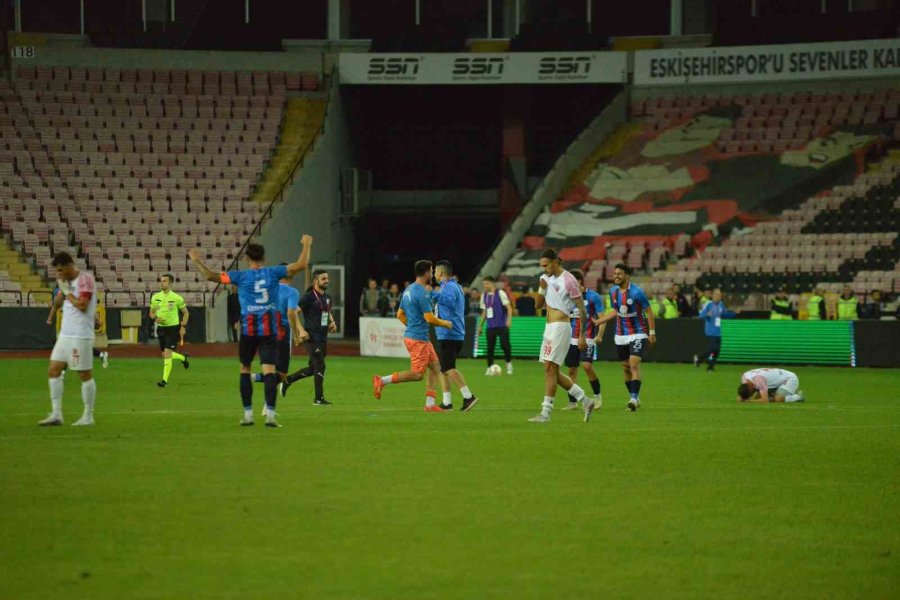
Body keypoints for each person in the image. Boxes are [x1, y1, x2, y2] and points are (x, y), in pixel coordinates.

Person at [189, 236, 312, 427]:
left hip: (248, 330)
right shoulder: (273, 273)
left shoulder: (240, 276)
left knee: (245, 369)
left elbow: (210, 276)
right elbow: (302, 264)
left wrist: (196, 259)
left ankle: (248, 415)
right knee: (270, 371)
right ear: (264, 258)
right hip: (268, 330)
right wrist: (306, 244)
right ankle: (270, 415)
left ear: (247, 258)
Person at [372, 260, 452, 411]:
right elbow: (429, 318)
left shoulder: (408, 289)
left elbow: (399, 314)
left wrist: (411, 327)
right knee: (417, 375)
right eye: (431, 270)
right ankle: (382, 380)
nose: (432, 274)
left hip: (418, 337)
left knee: (435, 367)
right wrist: (445, 324)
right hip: (418, 339)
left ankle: (430, 404)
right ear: (427, 273)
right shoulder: (422, 293)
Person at [529, 248, 592, 423]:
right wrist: (541, 290)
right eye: (541, 266)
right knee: (551, 371)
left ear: (556, 262)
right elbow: (538, 305)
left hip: (561, 326)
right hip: (549, 327)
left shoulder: (569, 280)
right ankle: (586, 401)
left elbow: (582, 309)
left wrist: (581, 335)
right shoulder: (545, 279)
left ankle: (546, 413)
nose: (544, 269)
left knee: (550, 369)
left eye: (546, 265)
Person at [40, 252, 98, 426]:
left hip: (80, 335)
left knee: (84, 374)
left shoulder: (85, 279)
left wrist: (67, 293)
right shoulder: (66, 282)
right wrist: (58, 298)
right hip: (65, 334)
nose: (58, 274)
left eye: (60, 270)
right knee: (53, 370)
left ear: (69, 266)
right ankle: (57, 414)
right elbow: (59, 301)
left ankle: (88, 415)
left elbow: (82, 305)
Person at [594, 263, 657, 412]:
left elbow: (649, 311)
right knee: (625, 368)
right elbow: (616, 311)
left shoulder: (637, 292)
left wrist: (652, 332)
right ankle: (634, 396)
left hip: (638, 333)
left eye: (619, 274)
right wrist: (600, 321)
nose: (616, 276)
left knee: (634, 364)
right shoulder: (612, 291)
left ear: (627, 275)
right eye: (615, 273)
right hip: (620, 334)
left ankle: (633, 399)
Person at [254, 266, 305, 412]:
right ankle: (251, 378)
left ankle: (267, 406)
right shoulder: (292, 292)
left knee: (270, 369)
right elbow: (291, 313)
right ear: (290, 277)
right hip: (282, 334)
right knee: (281, 374)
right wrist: (296, 335)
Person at [282, 269, 338, 405]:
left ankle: (288, 380)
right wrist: (300, 330)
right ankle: (318, 398)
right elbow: (294, 313)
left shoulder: (327, 297)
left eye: (327, 278)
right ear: (315, 281)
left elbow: (327, 311)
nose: (327, 281)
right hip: (311, 337)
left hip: (323, 337)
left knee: (314, 369)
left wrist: (332, 322)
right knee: (321, 365)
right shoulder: (308, 297)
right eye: (323, 278)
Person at [432, 261, 478, 412]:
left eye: (435, 271)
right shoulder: (453, 286)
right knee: (442, 368)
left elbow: (449, 302)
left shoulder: (449, 287)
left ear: (441, 272)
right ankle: (447, 403)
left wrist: (432, 294)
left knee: (448, 368)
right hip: (449, 333)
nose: (433, 274)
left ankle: (468, 396)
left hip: (450, 334)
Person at [561, 269, 605, 412]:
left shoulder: (593, 297)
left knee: (586, 366)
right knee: (572, 369)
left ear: (578, 281)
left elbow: (602, 318)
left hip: (588, 337)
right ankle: (572, 402)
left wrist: (599, 335)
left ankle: (597, 397)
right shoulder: (567, 297)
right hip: (570, 338)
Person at [48, 287, 109, 368]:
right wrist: (50, 318)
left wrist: (97, 320)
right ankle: (101, 355)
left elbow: (89, 308)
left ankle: (64, 371)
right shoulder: (64, 297)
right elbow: (55, 306)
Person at [149, 274, 190, 388]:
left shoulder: (177, 298)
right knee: (165, 354)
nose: (162, 283)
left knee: (167, 354)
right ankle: (183, 358)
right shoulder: (155, 297)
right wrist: (155, 318)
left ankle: (164, 381)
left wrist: (183, 326)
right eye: (161, 281)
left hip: (173, 328)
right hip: (161, 329)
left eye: (165, 281)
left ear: (170, 283)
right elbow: (151, 313)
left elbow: (186, 313)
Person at [479, 276, 513, 375]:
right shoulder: (484, 295)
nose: (484, 286)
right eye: (484, 284)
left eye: (486, 284)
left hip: (502, 325)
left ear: (492, 284)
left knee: (505, 346)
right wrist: (480, 326)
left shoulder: (500, 293)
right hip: (490, 326)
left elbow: (509, 307)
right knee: (490, 348)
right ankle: (489, 367)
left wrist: (509, 320)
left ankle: (509, 364)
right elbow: (485, 312)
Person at [694, 288, 731, 372]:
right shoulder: (708, 304)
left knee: (716, 351)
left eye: (720, 295)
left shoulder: (721, 304)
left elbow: (724, 313)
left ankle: (710, 366)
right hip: (710, 331)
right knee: (712, 349)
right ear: (713, 295)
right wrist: (707, 314)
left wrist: (731, 314)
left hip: (718, 331)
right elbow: (700, 315)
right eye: (717, 294)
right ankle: (700, 357)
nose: (719, 296)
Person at [737, 368, 805, 403]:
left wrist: (750, 401)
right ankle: (773, 393)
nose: (751, 394)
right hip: (776, 380)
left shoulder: (759, 379)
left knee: (778, 399)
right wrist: (742, 397)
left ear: (751, 388)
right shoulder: (745, 376)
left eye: (750, 393)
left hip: (789, 379)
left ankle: (798, 397)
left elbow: (765, 400)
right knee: (758, 397)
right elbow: (744, 390)